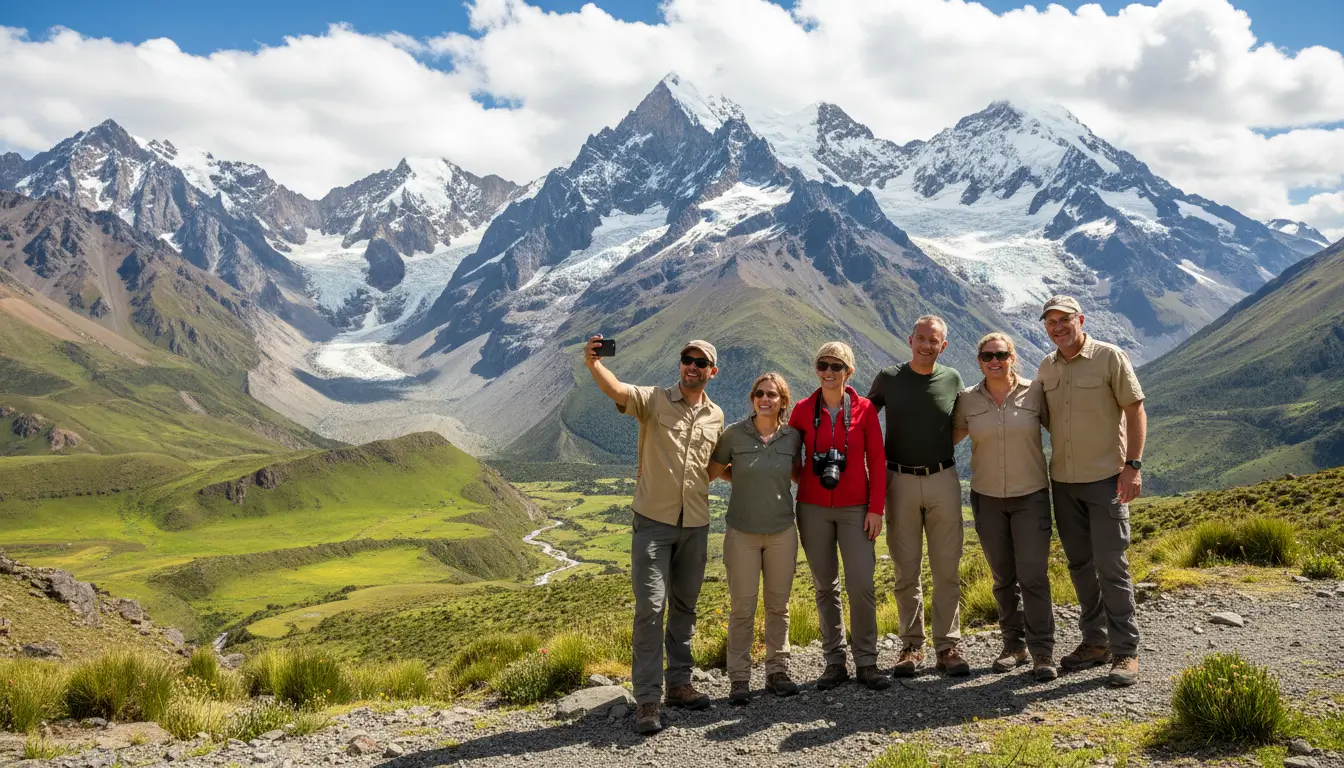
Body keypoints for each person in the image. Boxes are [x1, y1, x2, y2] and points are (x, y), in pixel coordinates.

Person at [584, 334, 726, 734]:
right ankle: (648, 699)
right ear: (680, 363)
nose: (692, 366)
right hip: (652, 522)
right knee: (651, 606)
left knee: (685, 606)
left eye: (701, 362)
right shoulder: (654, 400)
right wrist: (594, 364)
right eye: (687, 359)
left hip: (696, 524)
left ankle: (680, 683)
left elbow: (719, 467)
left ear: (712, 372)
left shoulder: (716, 415)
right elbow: (616, 389)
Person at [1036, 296, 1146, 687]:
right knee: (1080, 566)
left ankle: (1126, 651)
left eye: (1064, 319)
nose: (1058, 327)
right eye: (1050, 322)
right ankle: (1095, 642)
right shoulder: (1047, 366)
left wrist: (1132, 466)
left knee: (1111, 565)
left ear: (1080, 319)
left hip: (1106, 480)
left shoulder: (1109, 357)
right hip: (1064, 483)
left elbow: (1135, 409)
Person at [867, 315, 969, 677]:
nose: (927, 345)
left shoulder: (953, 379)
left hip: (943, 476)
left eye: (934, 340)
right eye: (921, 338)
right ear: (910, 340)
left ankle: (948, 645)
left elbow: (960, 425)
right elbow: (864, 420)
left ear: (944, 345)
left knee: (947, 566)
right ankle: (912, 646)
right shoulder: (889, 378)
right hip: (900, 481)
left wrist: (936, 451)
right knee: (905, 567)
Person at [953, 333, 1057, 681]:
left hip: (1031, 496)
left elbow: (1064, 429)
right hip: (987, 497)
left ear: (1013, 357)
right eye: (987, 356)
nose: (994, 361)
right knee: (1002, 578)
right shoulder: (967, 399)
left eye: (1000, 354)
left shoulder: (1035, 392)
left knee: (1033, 576)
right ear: (979, 360)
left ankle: (1043, 651)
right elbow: (945, 438)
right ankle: (1013, 646)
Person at [789, 342, 891, 691]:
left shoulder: (864, 409)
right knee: (824, 586)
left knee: (861, 584)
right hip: (812, 508)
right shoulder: (802, 410)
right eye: (823, 365)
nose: (828, 372)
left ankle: (867, 660)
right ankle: (835, 662)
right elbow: (790, 459)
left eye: (836, 366)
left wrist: (876, 508)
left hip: (856, 509)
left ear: (849, 372)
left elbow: (877, 462)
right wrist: (805, 478)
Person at [708, 373, 803, 705]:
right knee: (742, 609)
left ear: (783, 401)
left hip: (782, 533)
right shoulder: (734, 434)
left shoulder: (793, 437)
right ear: (752, 398)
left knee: (779, 606)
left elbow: (798, 474)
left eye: (773, 395)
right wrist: (744, 481)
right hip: (741, 534)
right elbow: (714, 471)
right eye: (759, 393)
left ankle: (778, 671)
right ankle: (739, 678)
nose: (765, 399)